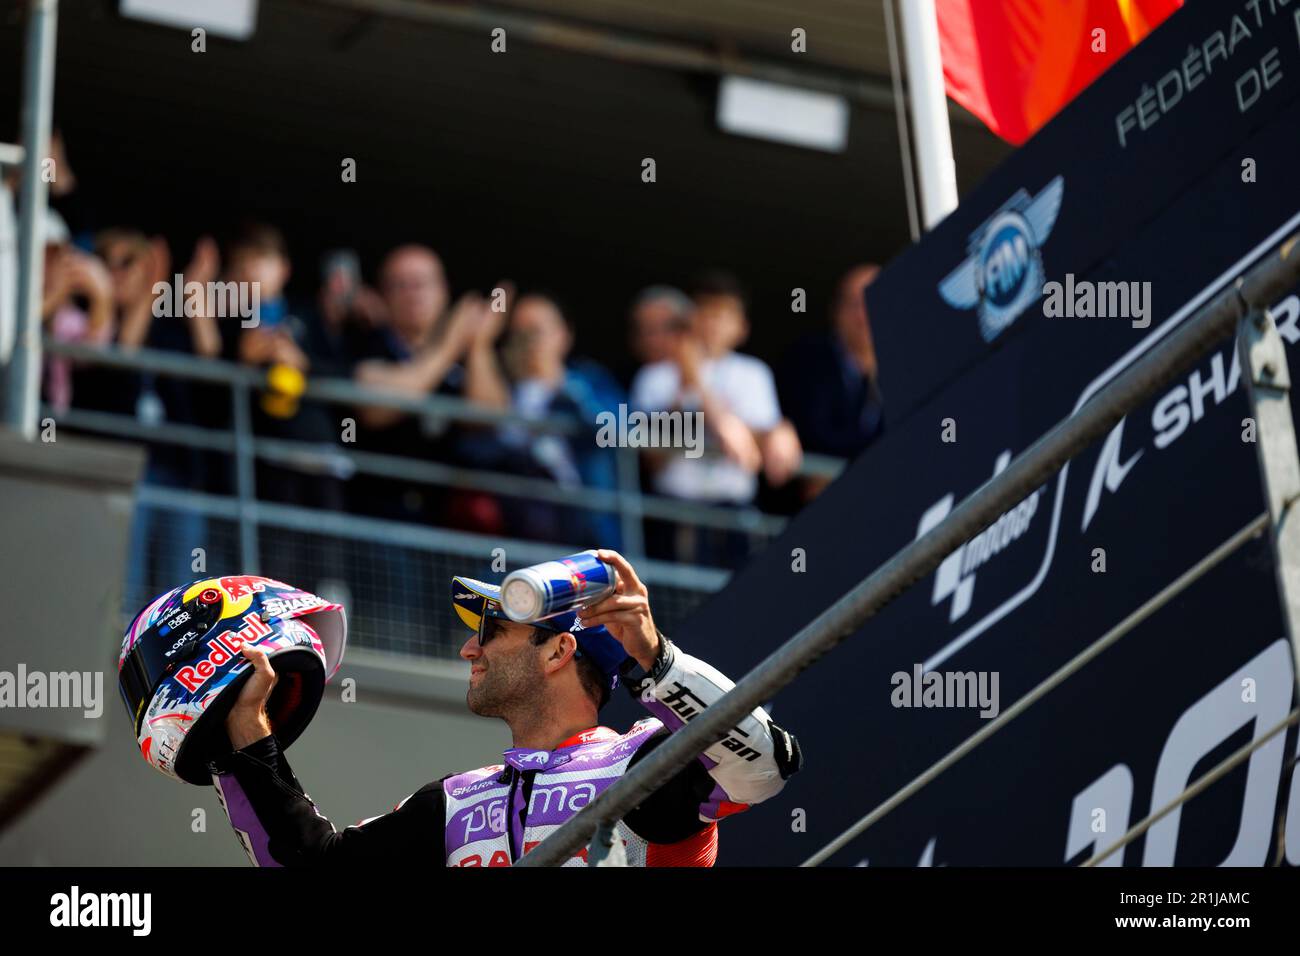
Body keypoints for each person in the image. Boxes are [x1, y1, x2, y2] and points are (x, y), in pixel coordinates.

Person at [211, 549, 803, 866]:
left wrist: (657, 659)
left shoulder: (639, 760)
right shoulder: (453, 800)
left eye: (491, 631)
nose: (469, 646)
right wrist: (246, 741)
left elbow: (765, 766)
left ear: (557, 652)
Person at [630, 272, 802, 565]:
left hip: (734, 515)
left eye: (724, 314)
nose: (713, 323)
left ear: (742, 327)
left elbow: (753, 446)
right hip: (675, 514)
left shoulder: (753, 373)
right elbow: (651, 454)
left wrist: (704, 400)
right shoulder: (655, 376)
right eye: (705, 312)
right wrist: (693, 387)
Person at [777, 264, 885, 500]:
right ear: (836, 311)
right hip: (815, 501)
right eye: (854, 303)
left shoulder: (906, 370)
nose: (862, 315)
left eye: (873, 301)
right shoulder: (807, 361)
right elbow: (811, 432)